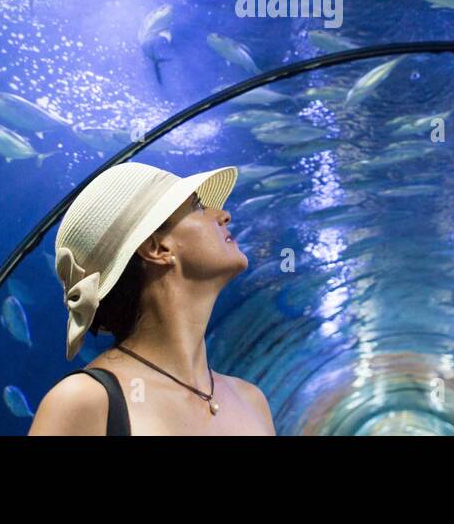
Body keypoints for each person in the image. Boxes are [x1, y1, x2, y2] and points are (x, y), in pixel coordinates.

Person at [28, 161, 276, 435]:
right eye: (197, 207)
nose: (224, 214)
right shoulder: (85, 402)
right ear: (156, 247)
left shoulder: (252, 400)